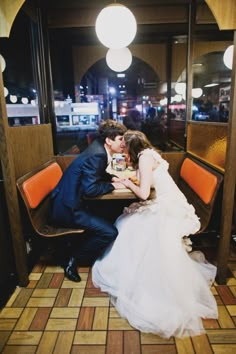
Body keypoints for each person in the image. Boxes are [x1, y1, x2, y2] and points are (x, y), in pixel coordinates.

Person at [92, 130, 218, 338]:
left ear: (132, 149)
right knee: (127, 222)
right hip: (171, 201)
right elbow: (149, 183)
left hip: (166, 208)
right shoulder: (150, 153)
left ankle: (138, 276)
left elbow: (142, 193)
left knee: (128, 226)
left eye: (125, 148)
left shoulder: (143, 159)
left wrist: (127, 183)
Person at [50, 119, 127, 282]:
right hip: (69, 209)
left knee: (113, 213)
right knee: (110, 232)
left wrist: (111, 179)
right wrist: (114, 187)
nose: (124, 143)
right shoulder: (98, 154)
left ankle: (87, 249)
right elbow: (90, 190)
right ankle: (73, 259)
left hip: (69, 200)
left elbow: (94, 174)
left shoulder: (98, 149)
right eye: (121, 139)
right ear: (109, 140)